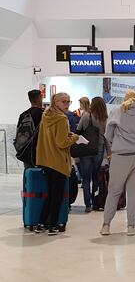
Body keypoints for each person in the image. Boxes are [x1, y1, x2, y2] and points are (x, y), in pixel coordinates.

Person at [100, 90, 135, 236]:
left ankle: (106, 225)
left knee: (114, 191)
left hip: (120, 155)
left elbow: (108, 134)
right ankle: (131, 226)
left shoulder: (117, 111)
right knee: (133, 192)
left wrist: (117, 143)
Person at [35, 93, 79, 235]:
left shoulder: (46, 116)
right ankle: (53, 225)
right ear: (56, 102)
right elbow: (61, 143)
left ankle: (41, 223)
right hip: (58, 162)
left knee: (49, 194)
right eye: (64, 102)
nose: (67, 104)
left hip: (46, 160)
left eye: (69, 101)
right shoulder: (61, 119)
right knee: (57, 196)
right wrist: (75, 138)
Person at [77, 97, 108, 212]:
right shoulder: (104, 118)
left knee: (86, 179)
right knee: (95, 177)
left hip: (86, 150)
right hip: (99, 150)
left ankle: (88, 204)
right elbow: (106, 137)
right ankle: (95, 202)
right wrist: (108, 152)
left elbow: (78, 131)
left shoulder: (86, 116)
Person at [16, 90, 43, 168]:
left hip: (26, 149)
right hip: (39, 150)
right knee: (39, 174)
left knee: (28, 172)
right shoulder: (43, 114)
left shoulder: (23, 115)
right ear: (40, 98)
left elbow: (18, 131)